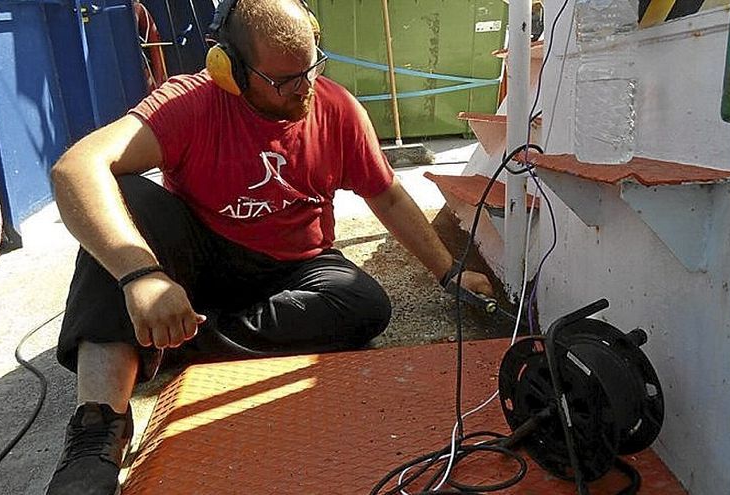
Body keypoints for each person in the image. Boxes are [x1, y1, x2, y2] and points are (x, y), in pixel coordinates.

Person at [44, 0, 492, 493]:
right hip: (202, 255)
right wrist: (142, 276)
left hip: (296, 268)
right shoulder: (190, 102)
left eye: (310, 68)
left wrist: (450, 272)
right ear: (229, 69)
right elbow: (75, 168)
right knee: (125, 200)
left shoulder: (337, 107)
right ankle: (98, 430)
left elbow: (385, 194)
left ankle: (174, 339)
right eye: (283, 80)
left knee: (363, 304)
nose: (303, 88)